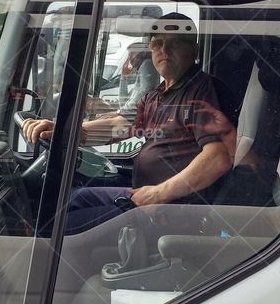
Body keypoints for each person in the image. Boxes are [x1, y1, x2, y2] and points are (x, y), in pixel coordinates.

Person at [22, 13, 239, 234]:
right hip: (144, 196)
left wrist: (157, 194)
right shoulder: (156, 95)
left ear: (194, 50)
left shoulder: (202, 90)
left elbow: (217, 158)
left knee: (57, 226)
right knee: (73, 199)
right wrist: (64, 130)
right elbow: (120, 126)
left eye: (175, 43)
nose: (164, 50)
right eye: (158, 43)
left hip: (172, 210)